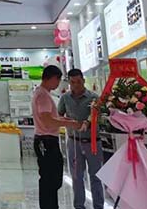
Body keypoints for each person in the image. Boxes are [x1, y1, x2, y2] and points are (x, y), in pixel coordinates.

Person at [32, 65, 84, 209]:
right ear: (53, 78)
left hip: (46, 140)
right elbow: (47, 121)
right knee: (50, 179)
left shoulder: (42, 93)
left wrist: (66, 120)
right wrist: (70, 124)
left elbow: (51, 118)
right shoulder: (43, 95)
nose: (58, 84)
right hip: (46, 141)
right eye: (58, 80)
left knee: (51, 179)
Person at [58, 68, 104, 209]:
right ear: (69, 82)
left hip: (92, 143)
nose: (76, 85)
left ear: (83, 80)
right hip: (74, 143)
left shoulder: (94, 97)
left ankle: (98, 206)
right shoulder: (65, 98)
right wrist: (68, 122)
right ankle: (79, 206)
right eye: (73, 82)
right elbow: (59, 116)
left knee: (96, 176)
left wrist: (87, 123)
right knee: (77, 177)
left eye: (78, 81)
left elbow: (98, 116)